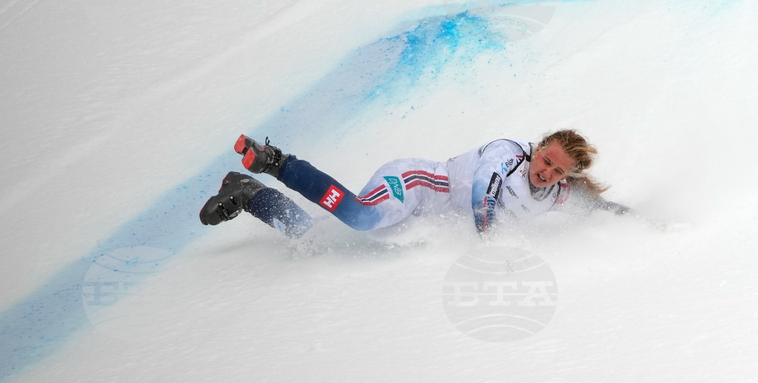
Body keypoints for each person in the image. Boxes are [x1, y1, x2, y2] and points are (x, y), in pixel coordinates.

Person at [199, 130, 628, 238]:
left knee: (318, 241)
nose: (547, 172)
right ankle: (277, 162)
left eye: (557, 171)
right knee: (361, 218)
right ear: (540, 147)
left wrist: (645, 223)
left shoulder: (559, 191)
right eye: (547, 160)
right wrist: (493, 244)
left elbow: (596, 208)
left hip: (421, 221)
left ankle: (250, 194)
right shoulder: (509, 153)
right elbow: (483, 194)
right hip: (417, 184)